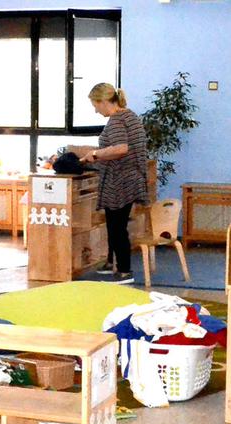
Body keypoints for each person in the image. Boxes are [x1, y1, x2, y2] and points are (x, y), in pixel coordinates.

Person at [79, 83, 149, 285]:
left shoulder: (117, 120)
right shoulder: (130, 116)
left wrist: (95, 154)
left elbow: (121, 148)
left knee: (117, 226)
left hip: (121, 180)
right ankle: (112, 262)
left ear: (103, 101)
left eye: (95, 105)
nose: (95, 110)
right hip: (130, 177)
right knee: (114, 224)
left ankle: (125, 271)